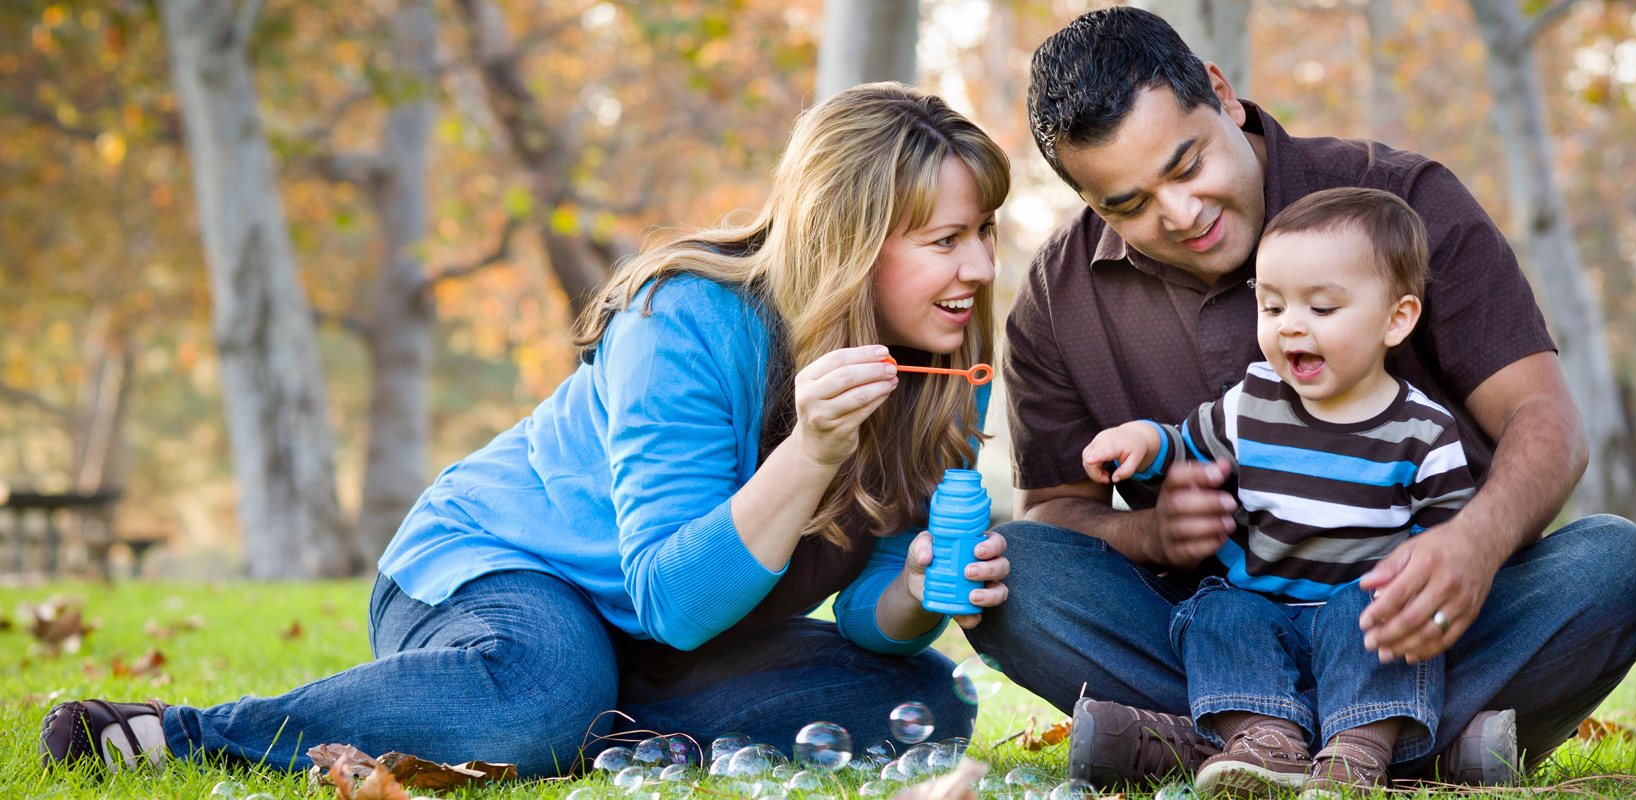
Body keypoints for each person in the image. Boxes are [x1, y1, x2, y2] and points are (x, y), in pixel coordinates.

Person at [39, 83, 1014, 778]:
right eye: (942, 240)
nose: (975, 266)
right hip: (499, 570)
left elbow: (867, 612)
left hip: (655, 642)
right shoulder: (688, 318)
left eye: (985, 231)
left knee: (924, 695)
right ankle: (195, 731)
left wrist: (919, 591)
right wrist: (811, 451)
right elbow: (671, 597)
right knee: (548, 689)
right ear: (845, 238)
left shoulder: (941, 372)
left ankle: (604, 724)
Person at [967, 6, 1636, 789]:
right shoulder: (1058, 297)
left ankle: (1217, 747)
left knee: (1615, 566)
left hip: (1414, 619)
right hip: (1224, 627)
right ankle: (1405, 750)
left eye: (1187, 164)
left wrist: (1472, 546)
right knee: (1009, 574)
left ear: (1223, 95)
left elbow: (1547, 420)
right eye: (1127, 206)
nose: (1180, 214)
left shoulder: (1403, 200)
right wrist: (1154, 536)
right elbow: (1055, 512)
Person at [1081, 188, 1473, 797]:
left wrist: (1424, 591)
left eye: (1320, 308)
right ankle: (1267, 741)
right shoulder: (1253, 402)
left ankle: (1357, 753)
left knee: (1382, 614)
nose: (1290, 325)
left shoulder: (1424, 432)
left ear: (1396, 319)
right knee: (1217, 610)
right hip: (1263, 613)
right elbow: (1188, 446)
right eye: (1270, 306)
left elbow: (1451, 541)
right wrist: (1144, 443)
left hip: (1360, 617)